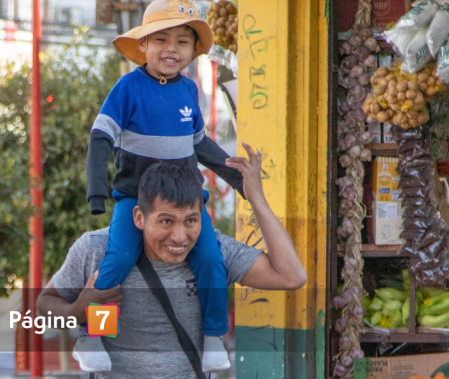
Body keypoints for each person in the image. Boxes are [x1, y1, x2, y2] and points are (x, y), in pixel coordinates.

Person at [39, 143, 307, 378]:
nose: (180, 238)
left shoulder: (213, 253)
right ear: (139, 217)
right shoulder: (96, 251)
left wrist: (256, 198)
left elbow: (291, 276)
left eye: (190, 221)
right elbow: (43, 307)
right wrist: (75, 311)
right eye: (166, 221)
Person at [84, 0, 244, 373]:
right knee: (117, 259)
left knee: (210, 260)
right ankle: (90, 336)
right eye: (161, 40)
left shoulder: (189, 90)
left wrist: (241, 180)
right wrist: (97, 193)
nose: (171, 49)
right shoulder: (126, 89)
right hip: (134, 202)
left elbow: (200, 145)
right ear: (143, 44)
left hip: (186, 204)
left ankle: (211, 338)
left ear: (193, 51)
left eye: (182, 41)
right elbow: (100, 138)